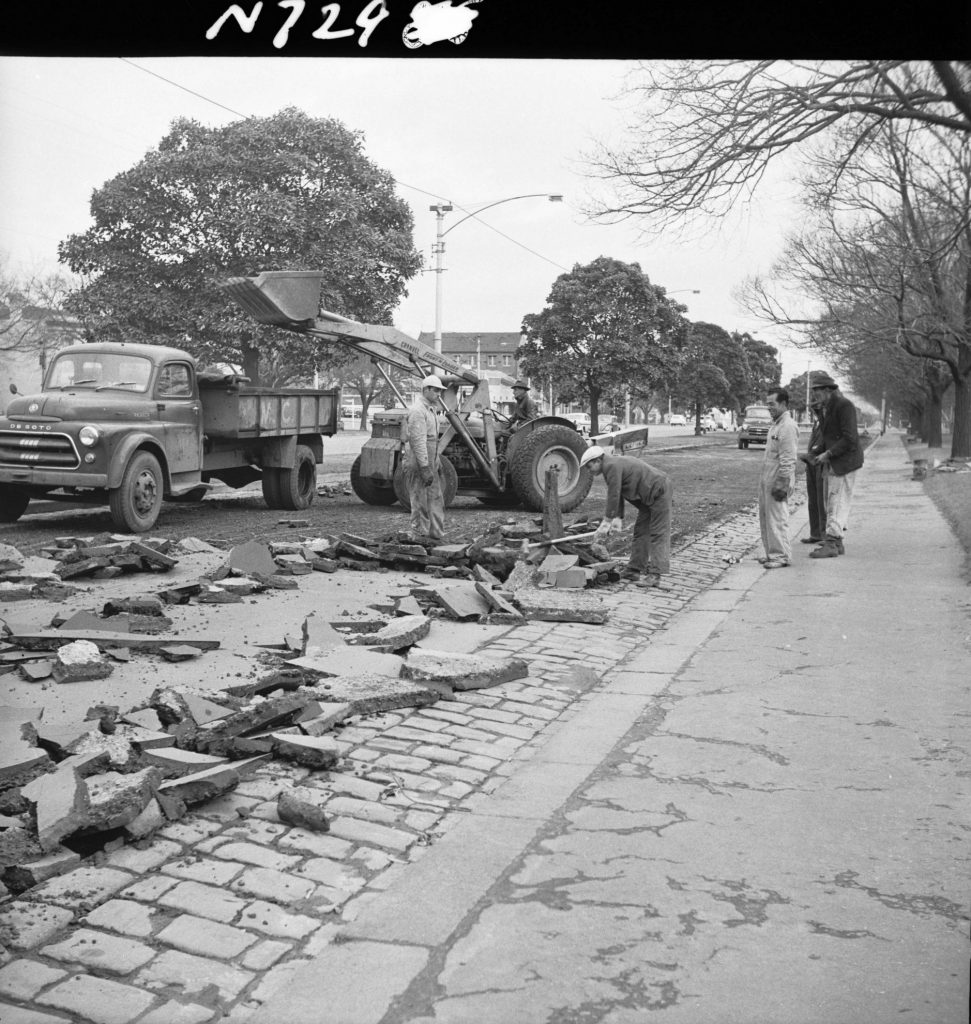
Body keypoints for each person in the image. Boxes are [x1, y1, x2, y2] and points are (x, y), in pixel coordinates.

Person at [580, 445, 671, 588]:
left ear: (597, 460)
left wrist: (606, 522)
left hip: (659, 491)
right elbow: (619, 491)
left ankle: (655, 575)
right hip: (649, 496)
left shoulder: (611, 465)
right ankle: (634, 570)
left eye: (589, 466)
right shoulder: (611, 465)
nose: (589, 471)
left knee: (658, 534)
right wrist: (618, 517)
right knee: (641, 532)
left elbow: (614, 494)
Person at [807, 372, 864, 558]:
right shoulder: (828, 408)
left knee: (836, 501)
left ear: (827, 390)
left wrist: (828, 454)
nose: (814, 395)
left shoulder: (844, 406)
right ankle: (836, 542)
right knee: (830, 500)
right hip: (836, 461)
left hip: (845, 462)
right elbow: (829, 436)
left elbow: (850, 438)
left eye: (817, 391)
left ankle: (832, 543)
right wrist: (815, 453)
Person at [757, 388, 800, 568]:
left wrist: (782, 483)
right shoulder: (776, 425)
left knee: (777, 518)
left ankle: (781, 555)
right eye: (767, 404)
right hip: (767, 477)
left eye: (772, 404)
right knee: (766, 517)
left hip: (778, 478)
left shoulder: (788, 426)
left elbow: (789, 459)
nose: (769, 408)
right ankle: (771, 553)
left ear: (783, 404)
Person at [403, 374, 447, 542]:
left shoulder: (431, 410)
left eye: (439, 391)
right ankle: (420, 536)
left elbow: (433, 440)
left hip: (430, 461)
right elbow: (418, 442)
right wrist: (424, 467)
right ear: (426, 389)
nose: (439, 394)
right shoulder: (417, 411)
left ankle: (436, 535)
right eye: (436, 390)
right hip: (419, 461)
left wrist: (436, 461)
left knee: (435, 497)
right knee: (420, 499)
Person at [798, 393, 827, 544]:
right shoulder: (816, 422)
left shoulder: (826, 422)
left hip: (821, 464)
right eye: (813, 407)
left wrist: (812, 452)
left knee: (822, 502)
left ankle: (824, 534)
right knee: (813, 501)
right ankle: (815, 533)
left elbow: (823, 444)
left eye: (817, 407)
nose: (814, 410)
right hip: (811, 464)